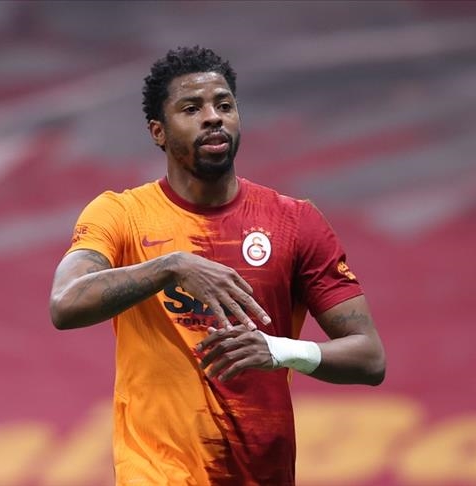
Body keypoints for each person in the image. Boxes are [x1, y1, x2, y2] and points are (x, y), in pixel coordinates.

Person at [49, 46, 386, 485]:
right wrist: (171, 267)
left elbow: (369, 357)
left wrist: (279, 350)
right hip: (156, 471)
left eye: (224, 105)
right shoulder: (121, 215)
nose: (213, 117)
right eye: (192, 108)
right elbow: (65, 302)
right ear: (158, 131)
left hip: (260, 471)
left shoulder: (294, 222)